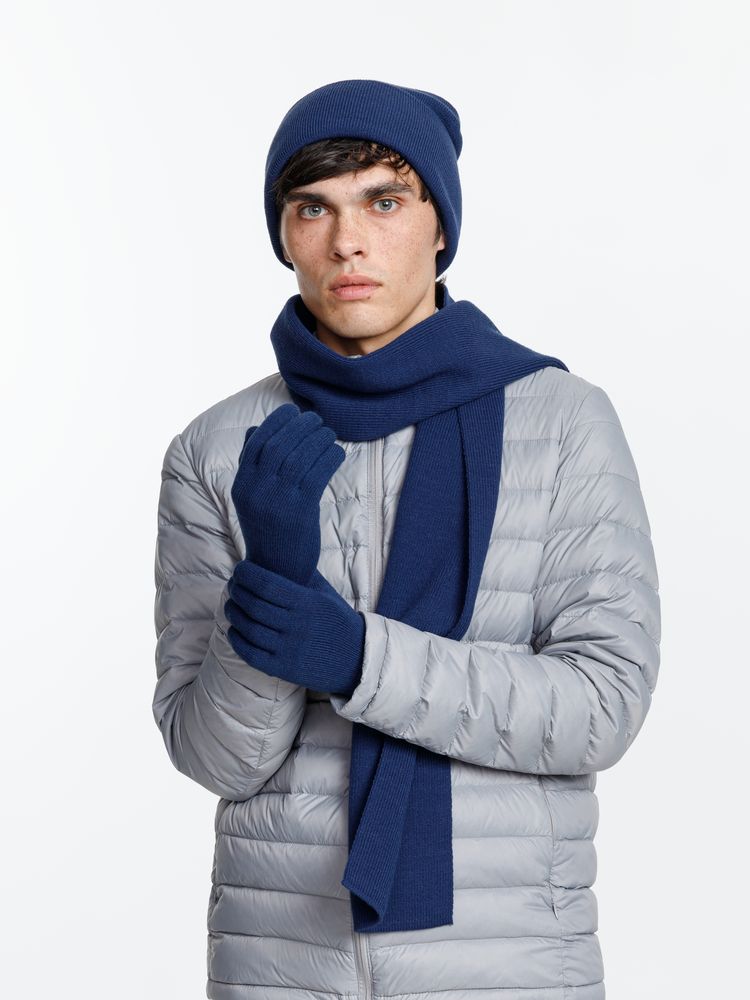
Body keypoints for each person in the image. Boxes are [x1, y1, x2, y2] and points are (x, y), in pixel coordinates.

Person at [152, 79, 661, 1000]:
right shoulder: (219, 450)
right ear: (285, 236)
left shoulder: (561, 422)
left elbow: (602, 706)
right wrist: (271, 585)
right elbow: (216, 757)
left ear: (440, 229)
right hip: (282, 963)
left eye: (384, 202)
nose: (348, 241)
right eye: (314, 208)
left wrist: (357, 657)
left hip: (505, 968)